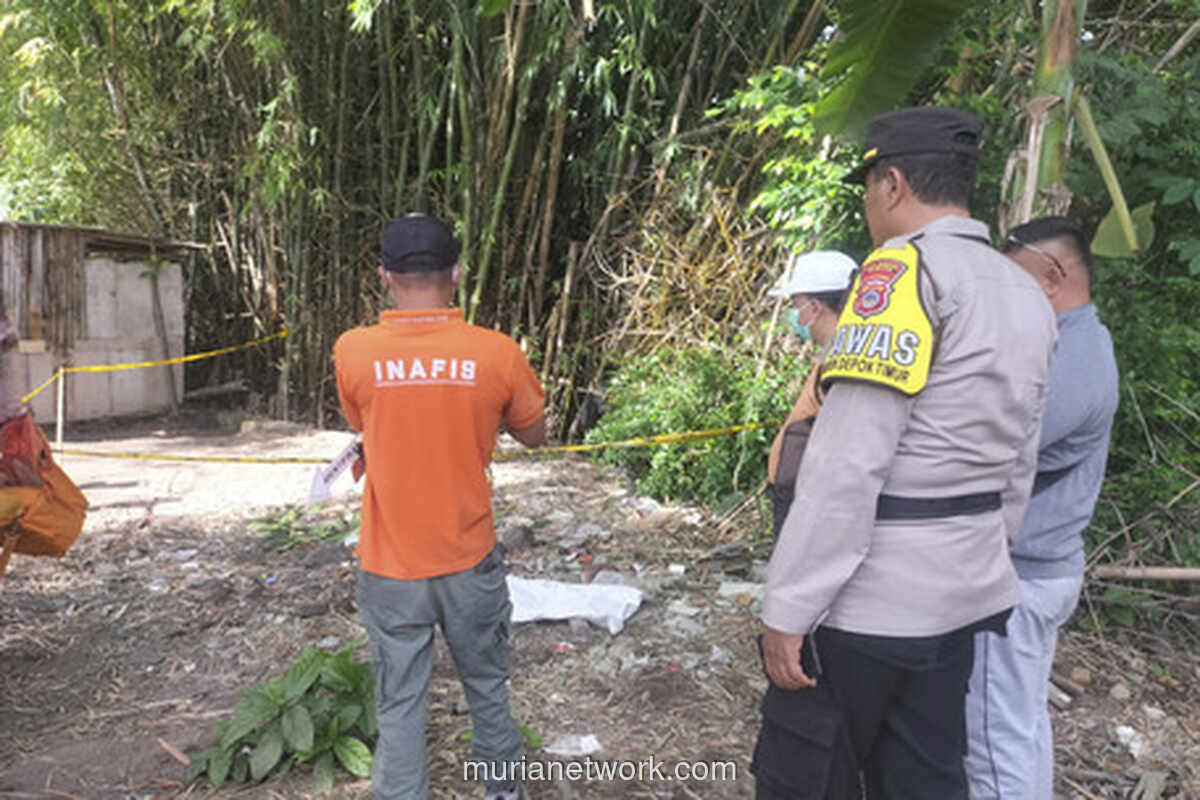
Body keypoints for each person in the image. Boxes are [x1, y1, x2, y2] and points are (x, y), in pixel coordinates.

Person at [751, 107, 1057, 799]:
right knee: (924, 775)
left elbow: (847, 461)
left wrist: (790, 607)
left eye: (868, 188)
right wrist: (984, 553)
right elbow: (1021, 458)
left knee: (810, 776)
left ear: (891, 184)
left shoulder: (900, 274)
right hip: (963, 592)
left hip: (870, 604)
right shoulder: (1025, 289)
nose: (867, 205)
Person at [334, 213, 544, 800]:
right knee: (487, 684)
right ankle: (502, 789)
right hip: (468, 556)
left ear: (384, 276)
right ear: (457, 274)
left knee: (399, 698)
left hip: (390, 564)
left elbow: (362, 422)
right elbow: (535, 433)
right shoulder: (496, 353)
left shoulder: (354, 351)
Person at [965, 217, 1119, 800]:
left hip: (1020, 578)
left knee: (992, 739)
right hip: (1036, 573)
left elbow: (997, 444)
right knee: (1019, 726)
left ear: (1052, 276)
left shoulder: (1076, 356)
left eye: (1017, 279)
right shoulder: (1070, 344)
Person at [765, 250, 857, 537]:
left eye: (797, 306)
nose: (795, 316)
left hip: (811, 507)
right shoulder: (836, 353)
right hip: (804, 499)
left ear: (815, 307)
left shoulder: (844, 362)